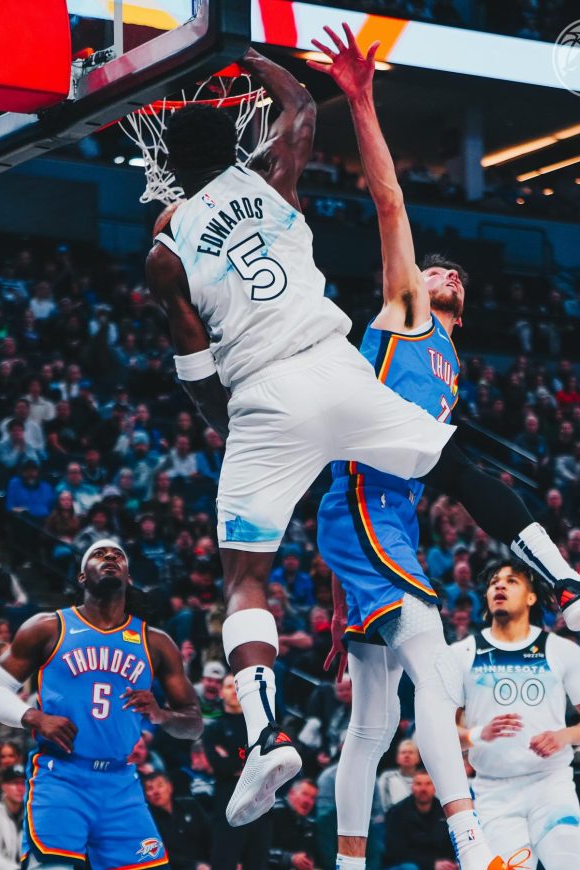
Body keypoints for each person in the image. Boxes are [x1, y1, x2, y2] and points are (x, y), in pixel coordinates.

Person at [306, 22, 580, 870]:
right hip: (365, 498)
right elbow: (390, 205)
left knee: (374, 721)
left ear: (466, 300)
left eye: (451, 271)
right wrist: (363, 101)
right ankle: (468, 828)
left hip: (391, 504)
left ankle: (346, 862)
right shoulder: (405, 312)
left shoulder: (450, 361)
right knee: (433, 661)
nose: (437, 270)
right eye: (432, 267)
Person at [147, 43, 458, 828]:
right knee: (450, 457)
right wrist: (244, 55)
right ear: (235, 147)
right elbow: (303, 108)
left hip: (264, 392)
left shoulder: (163, 247)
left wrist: (231, 427)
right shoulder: (269, 178)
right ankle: (563, 573)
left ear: (168, 170)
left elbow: (193, 365)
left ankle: (265, 737)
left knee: (244, 576)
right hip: (337, 363)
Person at [0, 539, 203, 869]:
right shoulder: (48, 627)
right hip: (60, 777)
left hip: (120, 781)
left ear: (128, 577)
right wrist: (34, 717)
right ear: (82, 576)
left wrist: (162, 715)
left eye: (118, 556)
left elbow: (194, 722)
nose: (110, 557)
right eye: (99, 554)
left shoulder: (155, 642)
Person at [452, 560, 580, 868]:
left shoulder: (562, 651)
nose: (499, 586)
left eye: (511, 581)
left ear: (531, 596)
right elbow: (439, 736)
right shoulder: (460, 654)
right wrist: (476, 734)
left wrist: (565, 736)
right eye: (494, 582)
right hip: (493, 791)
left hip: (551, 782)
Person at [202, 674, 272, 870]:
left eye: (238, 686)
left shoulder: (261, 725)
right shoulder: (213, 728)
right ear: (221, 692)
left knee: (257, 863)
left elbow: (269, 763)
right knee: (223, 861)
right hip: (227, 801)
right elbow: (219, 766)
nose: (234, 690)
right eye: (228, 686)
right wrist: (250, 764)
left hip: (260, 803)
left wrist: (235, 763)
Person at [383, 770, 456, 870]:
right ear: (412, 787)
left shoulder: (445, 811)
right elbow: (396, 851)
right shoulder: (397, 812)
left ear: (435, 787)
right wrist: (431, 864)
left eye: (428, 784)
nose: (423, 789)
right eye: (418, 784)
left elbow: (451, 844)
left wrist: (449, 863)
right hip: (408, 864)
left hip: (442, 865)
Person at [143, 771, 211, 870]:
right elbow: (158, 854)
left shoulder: (190, 805)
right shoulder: (148, 821)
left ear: (170, 787)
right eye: (150, 788)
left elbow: (210, 835)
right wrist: (194, 866)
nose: (156, 792)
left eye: (160, 785)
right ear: (146, 796)